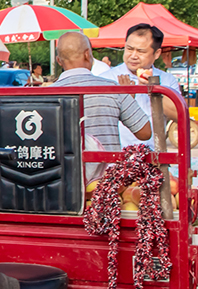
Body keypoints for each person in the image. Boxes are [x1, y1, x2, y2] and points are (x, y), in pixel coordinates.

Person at [46, 31, 153, 179]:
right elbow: (145, 133)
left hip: (61, 182)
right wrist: (129, 98)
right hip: (107, 187)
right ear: (86, 54)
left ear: (58, 60)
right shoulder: (113, 89)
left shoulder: (44, 95)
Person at [114, 24, 190, 149]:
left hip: (154, 157)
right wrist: (126, 100)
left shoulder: (167, 80)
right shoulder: (107, 78)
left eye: (141, 51)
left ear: (156, 53)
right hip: (116, 157)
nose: (133, 56)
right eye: (129, 49)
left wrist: (154, 89)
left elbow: (179, 116)